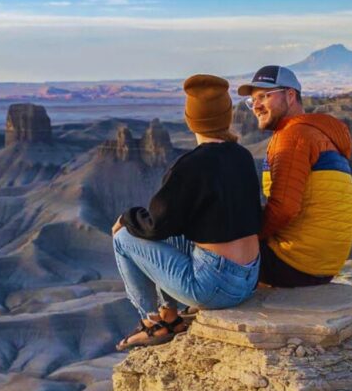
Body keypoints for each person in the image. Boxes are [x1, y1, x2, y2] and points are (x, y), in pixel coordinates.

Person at [112, 74, 262, 351]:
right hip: (249, 277)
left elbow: (156, 224)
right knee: (173, 234)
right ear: (226, 117)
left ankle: (151, 322)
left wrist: (125, 218)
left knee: (123, 239)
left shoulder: (192, 165)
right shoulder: (241, 156)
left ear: (190, 119)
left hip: (214, 287)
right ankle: (170, 316)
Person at [237, 65, 352, 288]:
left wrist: (251, 236)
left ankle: (173, 315)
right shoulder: (317, 133)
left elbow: (284, 209)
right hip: (322, 266)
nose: (256, 106)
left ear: (290, 96)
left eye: (264, 96)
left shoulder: (294, 136)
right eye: (252, 101)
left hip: (294, 265)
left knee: (206, 231)